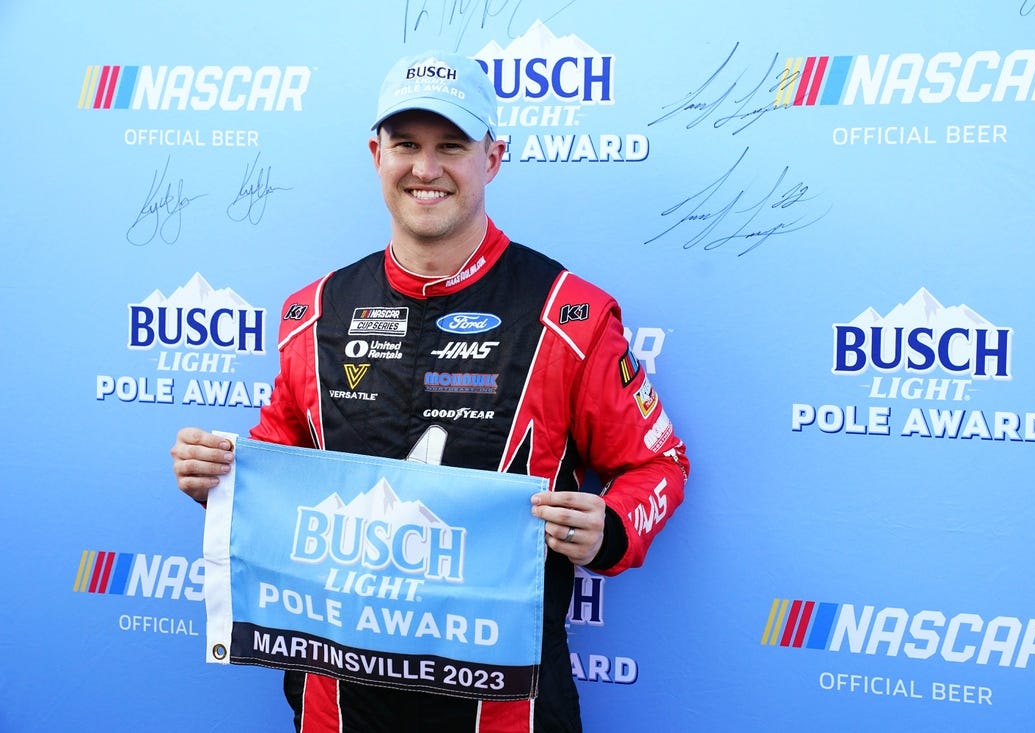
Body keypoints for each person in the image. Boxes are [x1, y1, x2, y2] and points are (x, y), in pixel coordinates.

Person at [171, 50, 689, 733]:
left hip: (508, 707)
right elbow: (279, 459)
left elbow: (660, 464)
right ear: (375, 153)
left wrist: (611, 526)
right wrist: (218, 475)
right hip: (338, 704)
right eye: (406, 145)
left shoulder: (569, 314)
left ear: (493, 157)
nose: (425, 168)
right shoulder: (315, 313)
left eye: (451, 145)